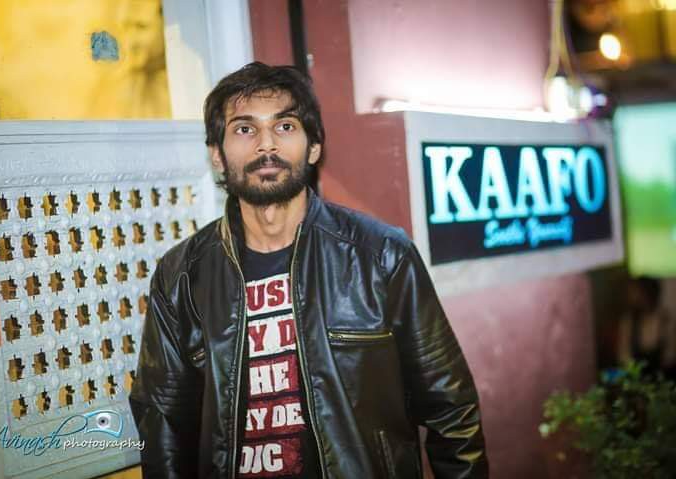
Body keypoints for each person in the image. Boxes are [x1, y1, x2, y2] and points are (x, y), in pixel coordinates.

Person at [129, 62, 488, 478]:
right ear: (217, 155)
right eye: (245, 129)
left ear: (314, 146)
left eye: (284, 126)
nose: (266, 145)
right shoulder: (181, 276)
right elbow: (162, 422)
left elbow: (451, 408)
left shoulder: (382, 257)